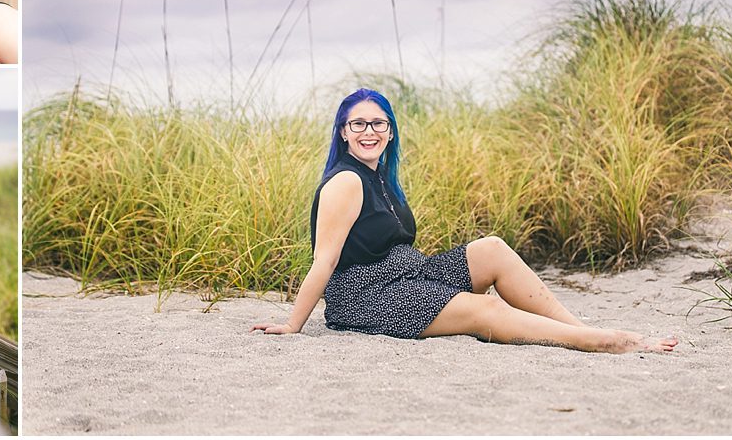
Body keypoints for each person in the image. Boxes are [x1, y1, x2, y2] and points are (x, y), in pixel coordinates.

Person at [252, 88, 678, 353]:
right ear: (343, 132)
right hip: (368, 297)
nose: (369, 130)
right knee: (485, 308)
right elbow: (324, 262)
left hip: (411, 275)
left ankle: (581, 328)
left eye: (378, 123)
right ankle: (598, 341)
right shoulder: (346, 181)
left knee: (491, 248)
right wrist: (293, 325)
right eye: (358, 123)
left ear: (391, 131)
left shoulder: (380, 178)